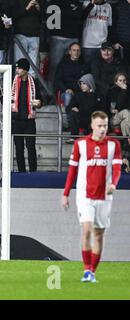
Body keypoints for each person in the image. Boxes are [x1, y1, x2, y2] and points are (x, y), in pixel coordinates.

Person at [62, 110, 122, 283]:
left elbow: (117, 169)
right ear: (92, 126)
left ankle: (92, 271)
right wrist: (66, 193)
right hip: (84, 194)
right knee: (87, 230)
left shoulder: (113, 145)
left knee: (98, 234)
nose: (103, 129)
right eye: (100, 126)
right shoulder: (80, 144)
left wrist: (113, 184)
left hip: (104, 196)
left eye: (105, 126)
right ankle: (86, 270)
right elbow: (72, 171)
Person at [11, 58, 41, 172]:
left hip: (29, 121)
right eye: (17, 68)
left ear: (25, 69)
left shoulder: (34, 82)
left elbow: (40, 101)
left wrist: (38, 104)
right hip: (16, 121)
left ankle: (33, 173)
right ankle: (21, 172)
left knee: (31, 148)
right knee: (18, 149)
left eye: (19, 68)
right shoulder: (12, 82)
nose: (17, 70)